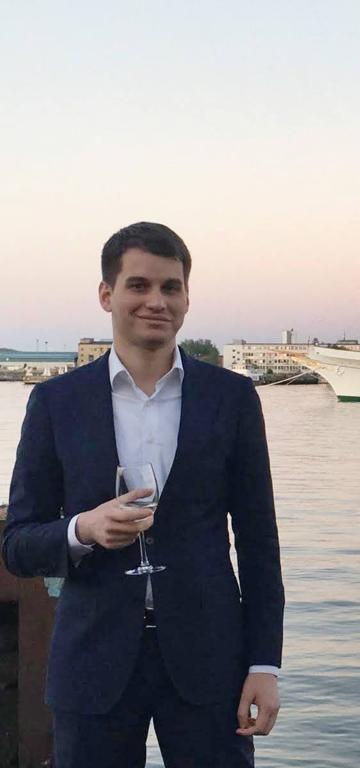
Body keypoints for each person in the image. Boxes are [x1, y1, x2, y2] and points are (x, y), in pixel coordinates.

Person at [1, 222, 285, 766]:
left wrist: (264, 664)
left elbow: (259, 542)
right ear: (106, 294)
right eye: (139, 285)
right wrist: (82, 530)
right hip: (92, 661)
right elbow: (17, 544)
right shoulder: (57, 402)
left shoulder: (232, 398)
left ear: (186, 299)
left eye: (170, 287)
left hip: (211, 660)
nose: (156, 301)